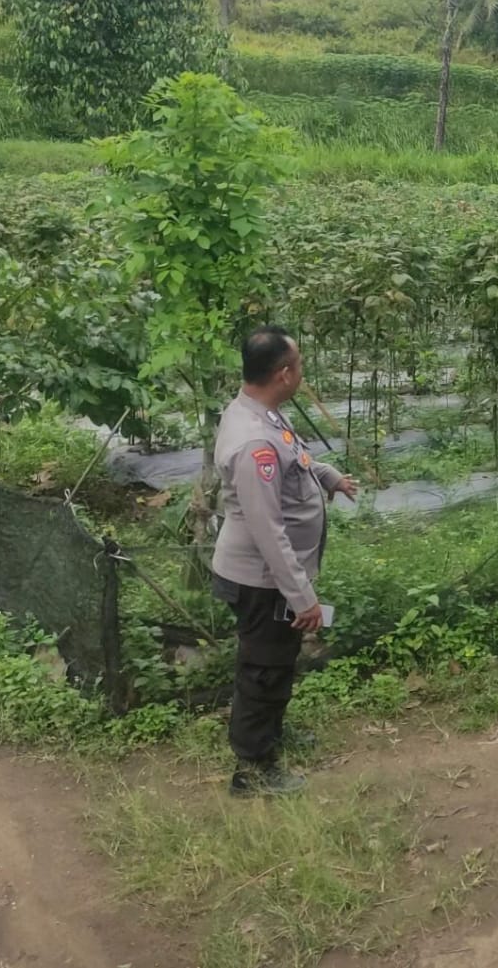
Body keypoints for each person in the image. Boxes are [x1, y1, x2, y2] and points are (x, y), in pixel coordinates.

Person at [210, 324, 357, 796]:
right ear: (283, 374)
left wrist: (328, 477)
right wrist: (301, 597)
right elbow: (267, 531)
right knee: (263, 668)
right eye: (299, 364)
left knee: (275, 660)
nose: (302, 372)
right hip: (262, 580)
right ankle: (253, 770)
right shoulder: (254, 443)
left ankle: (269, 737)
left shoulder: (262, 413)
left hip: (270, 578)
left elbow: (296, 457)